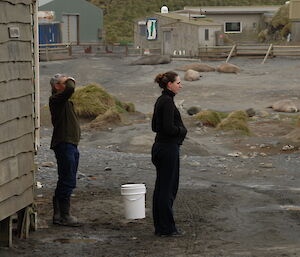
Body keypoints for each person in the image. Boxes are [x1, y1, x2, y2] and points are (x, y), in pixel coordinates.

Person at [151, 71, 187, 237]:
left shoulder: (162, 100)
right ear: (169, 84)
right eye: (178, 82)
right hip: (167, 148)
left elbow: (154, 127)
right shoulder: (166, 102)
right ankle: (167, 228)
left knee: (161, 188)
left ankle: (161, 227)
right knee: (167, 188)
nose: (181, 85)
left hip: (161, 147)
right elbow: (166, 128)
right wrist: (181, 130)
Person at [49, 73, 81, 227]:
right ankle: (63, 215)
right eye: (63, 82)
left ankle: (59, 214)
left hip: (70, 144)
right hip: (64, 143)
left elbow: (69, 90)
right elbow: (70, 88)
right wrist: (70, 80)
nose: (67, 83)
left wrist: (67, 81)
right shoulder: (56, 99)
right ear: (57, 86)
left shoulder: (64, 102)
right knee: (67, 178)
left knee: (68, 178)